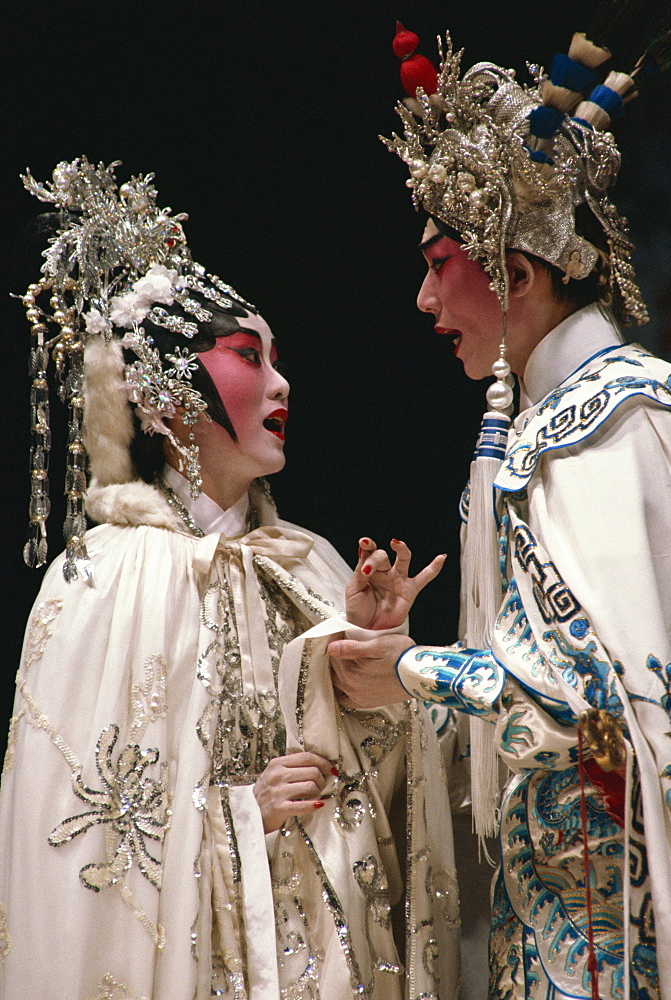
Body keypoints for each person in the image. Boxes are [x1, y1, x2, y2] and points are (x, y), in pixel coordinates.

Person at [0, 158, 460, 1000]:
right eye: (250, 356)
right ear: (162, 394)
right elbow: (78, 845)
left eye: (276, 358)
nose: (281, 382)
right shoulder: (103, 579)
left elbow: (395, 804)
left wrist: (372, 659)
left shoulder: (313, 565)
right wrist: (245, 810)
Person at [330, 19, 671, 1000]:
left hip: (617, 936)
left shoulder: (609, 416)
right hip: (555, 933)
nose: (422, 298)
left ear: (515, 273)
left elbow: (604, 696)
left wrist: (410, 668)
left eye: (441, 262)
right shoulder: (550, 424)